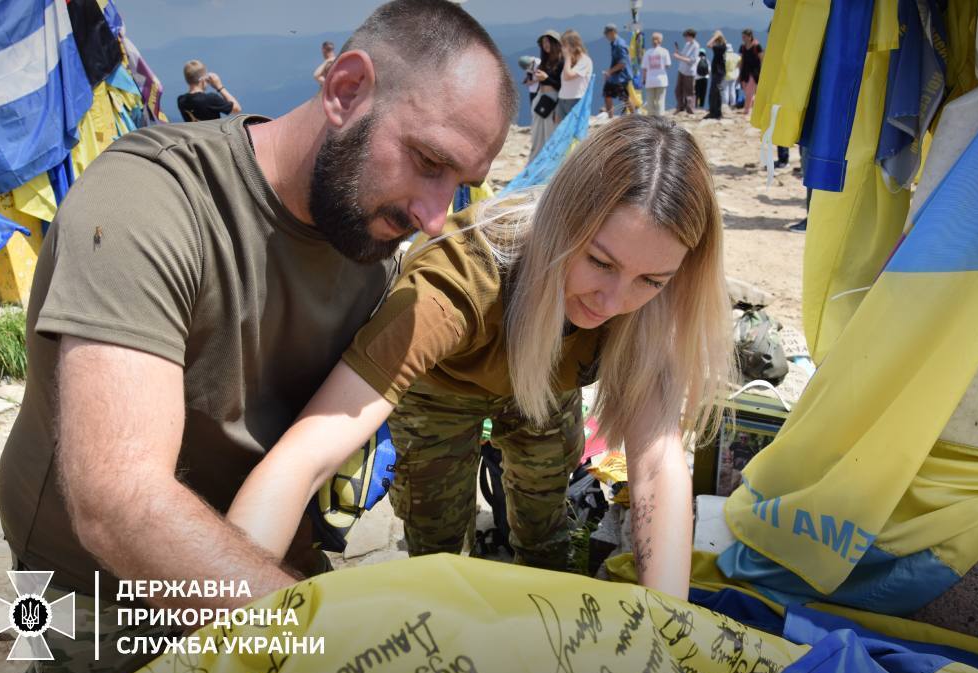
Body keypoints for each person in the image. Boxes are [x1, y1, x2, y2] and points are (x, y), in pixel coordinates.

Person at [0, 1, 517, 673]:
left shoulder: (375, 245)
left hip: (254, 546)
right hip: (89, 585)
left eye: (460, 183)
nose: (434, 212)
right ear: (345, 90)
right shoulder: (149, 199)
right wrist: (322, 638)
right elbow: (117, 503)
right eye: (427, 161)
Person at [227, 115, 735, 600]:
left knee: (546, 522)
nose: (613, 302)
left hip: (547, 388)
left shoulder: (658, 298)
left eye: (651, 281)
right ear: (562, 223)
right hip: (441, 391)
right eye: (599, 262)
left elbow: (655, 467)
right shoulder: (456, 283)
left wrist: (669, 630)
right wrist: (223, 611)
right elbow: (306, 455)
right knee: (438, 547)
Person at [527, 30, 563, 161]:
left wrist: (546, 78)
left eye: (548, 42)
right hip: (540, 98)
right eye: (543, 42)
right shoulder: (545, 61)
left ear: (555, 43)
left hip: (552, 100)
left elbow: (560, 85)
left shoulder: (561, 61)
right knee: (537, 135)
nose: (545, 45)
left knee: (550, 134)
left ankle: (549, 166)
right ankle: (534, 164)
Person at [176, 59, 241, 121]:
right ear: (203, 80)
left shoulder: (181, 100)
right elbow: (237, 109)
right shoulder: (211, 99)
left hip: (193, 133)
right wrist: (220, 87)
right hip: (212, 132)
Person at [557, 29, 592, 123]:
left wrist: (567, 58)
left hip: (575, 100)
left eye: (564, 45)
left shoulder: (585, 60)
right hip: (563, 99)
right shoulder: (571, 61)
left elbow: (568, 76)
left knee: (574, 131)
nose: (562, 48)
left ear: (573, 45)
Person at [602, 23, 632, 117]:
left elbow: (622, 63)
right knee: (607, 94)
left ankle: (634, 115)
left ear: (612, 32)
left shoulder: (619, 45)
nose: (606, 36)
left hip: (621, 76)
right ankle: (610, 118)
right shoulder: (614, 44)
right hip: (615, 76)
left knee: (625, 98)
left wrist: (609, 72)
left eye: (606, 33)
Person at [641, 31, 671, 117]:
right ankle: (660, 118)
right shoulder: (665, 51)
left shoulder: (647, 52)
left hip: (650, 80)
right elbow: (668, 65)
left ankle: (651, 118)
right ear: (661, 40)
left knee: (650, 101)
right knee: (660, 101)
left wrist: (644, 79)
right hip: (661, 80)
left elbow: (644, 68)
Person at [671, 29, 700, 115]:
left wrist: (678, 57)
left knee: (689, 91)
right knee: (678, 90)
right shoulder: (687, 44)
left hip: (689, 72)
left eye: (686, 36)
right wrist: (678, 52)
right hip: (682, 70)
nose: (685, 38)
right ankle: (680, 106)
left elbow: (692, 60)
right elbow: (684, 55)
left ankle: (690, 108)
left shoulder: (696, 46)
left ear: (690, 36)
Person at [738, 28, 763, 116]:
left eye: (744, 37)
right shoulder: (742, 47)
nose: (743, 38)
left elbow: (761, 59)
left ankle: (746, 110)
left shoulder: (757, 46)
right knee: (746, 91)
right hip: (745, 72)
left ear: (750, 37)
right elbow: (741, 60)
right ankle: (754, 105)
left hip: (754, 71)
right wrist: (739, 72)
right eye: (742, 37)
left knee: (749, 91)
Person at [705, 31, 726, 120]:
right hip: (716, 71)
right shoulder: (720, 46)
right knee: (713, 92)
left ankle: (717, 113)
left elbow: (708, 44)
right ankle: (713, 112)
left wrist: (715, 37)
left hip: (719, 72)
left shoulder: (721, 46)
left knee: (716, 92)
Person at [722, 42, 739, 108]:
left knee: (725, 90)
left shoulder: (724, 56)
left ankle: (725, 105)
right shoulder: (736, 56)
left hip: (725, 75)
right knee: (732, 90)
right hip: (734, 75)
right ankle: (733, 104)